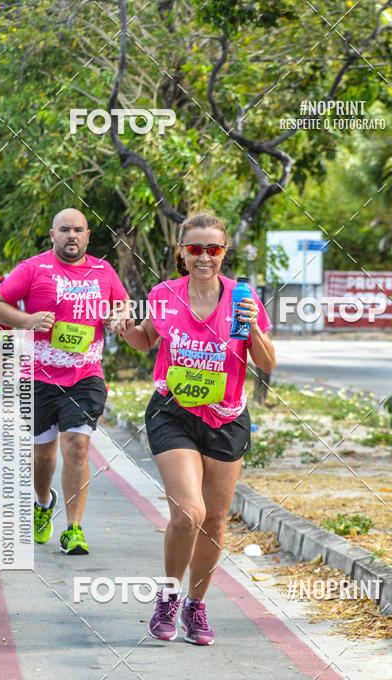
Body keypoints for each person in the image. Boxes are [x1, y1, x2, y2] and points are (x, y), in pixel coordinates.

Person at [121, 212, 276, 645]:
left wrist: (253, 331)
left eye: (214, 249)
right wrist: (125, 330)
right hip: (174, 412)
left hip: (226, 417)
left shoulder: (243, 298)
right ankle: (168, 597)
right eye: (195, 249)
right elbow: (146, 339)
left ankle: (196, 605)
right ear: (182, 252)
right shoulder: (164, 295)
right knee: (190, 512)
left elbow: (266, 363)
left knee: (216, 522)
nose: (205, 257)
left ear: (224, 252)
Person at [0, 208, 128, 555]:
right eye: (64, 230)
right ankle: (43, 501)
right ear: (53, 234)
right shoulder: (33, 269)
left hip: (85, 375)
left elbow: (123, 305)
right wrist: (27, 319)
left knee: (77, 446)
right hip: (39, 376)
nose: (71, 236)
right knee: (44, 454)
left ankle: (73, 528)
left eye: (78, 230)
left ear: (88, 236)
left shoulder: (103, 270)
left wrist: (118, 318)